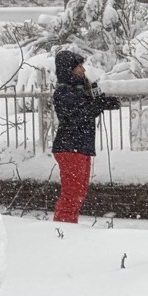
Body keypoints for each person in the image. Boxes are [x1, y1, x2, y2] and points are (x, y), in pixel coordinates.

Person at [50, 50, 119, 224]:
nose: (83, 70)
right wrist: (99, 104)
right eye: (79, 66)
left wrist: (101, 99)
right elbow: (80, 114)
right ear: (69, 69)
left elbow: (89, 107)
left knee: (79, 193)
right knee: (72, 193)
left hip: (80, 146)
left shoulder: (79, 88)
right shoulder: (64, 92)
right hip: (70, 147)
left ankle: (69, 225)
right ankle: (62, 228)